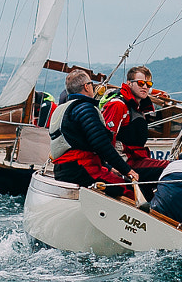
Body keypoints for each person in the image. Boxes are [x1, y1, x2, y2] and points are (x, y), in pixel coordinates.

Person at [48, 69, 139, 197]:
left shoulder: (62, 109)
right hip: (81, 169)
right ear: (86, 86)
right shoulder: (86, 109)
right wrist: (127, 170)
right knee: (128, 191)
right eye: (91, 84)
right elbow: (101, 145)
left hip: (62, 171)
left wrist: (108, 167)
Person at [106, 66, 170, 184]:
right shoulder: (118, 106)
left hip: (136, 158)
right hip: (124, 163)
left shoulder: (138, 107)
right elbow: (106, 139)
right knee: (171, 168)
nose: (145, 87)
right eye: (140, 83)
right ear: (129, 84)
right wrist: (111, 167)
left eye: (148, 84)